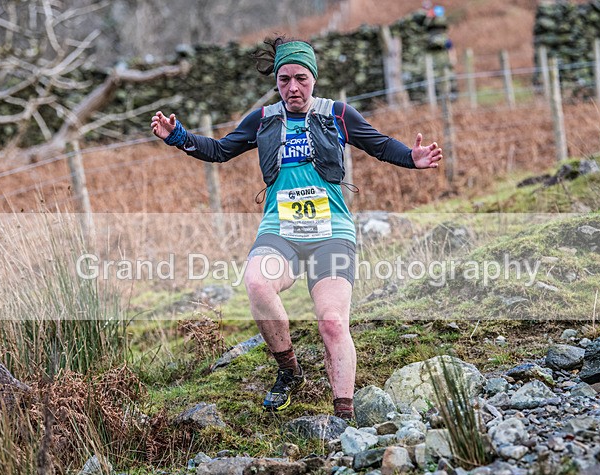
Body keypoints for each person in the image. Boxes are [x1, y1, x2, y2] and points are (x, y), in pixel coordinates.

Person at [151, 38, 442, 420]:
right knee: (256, 283)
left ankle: (344, 417)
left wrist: (411, 157)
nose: (292, 88)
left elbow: (380, 145)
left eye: (300, 79)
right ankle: (288, 369)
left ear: (314, 79)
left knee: (333, 322)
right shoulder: (263, 119)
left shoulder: (337, 114)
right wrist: (178, 137)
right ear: (276, 82)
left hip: (331, 231)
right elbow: (220, 151)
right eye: (284, 79)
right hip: (281, 230)